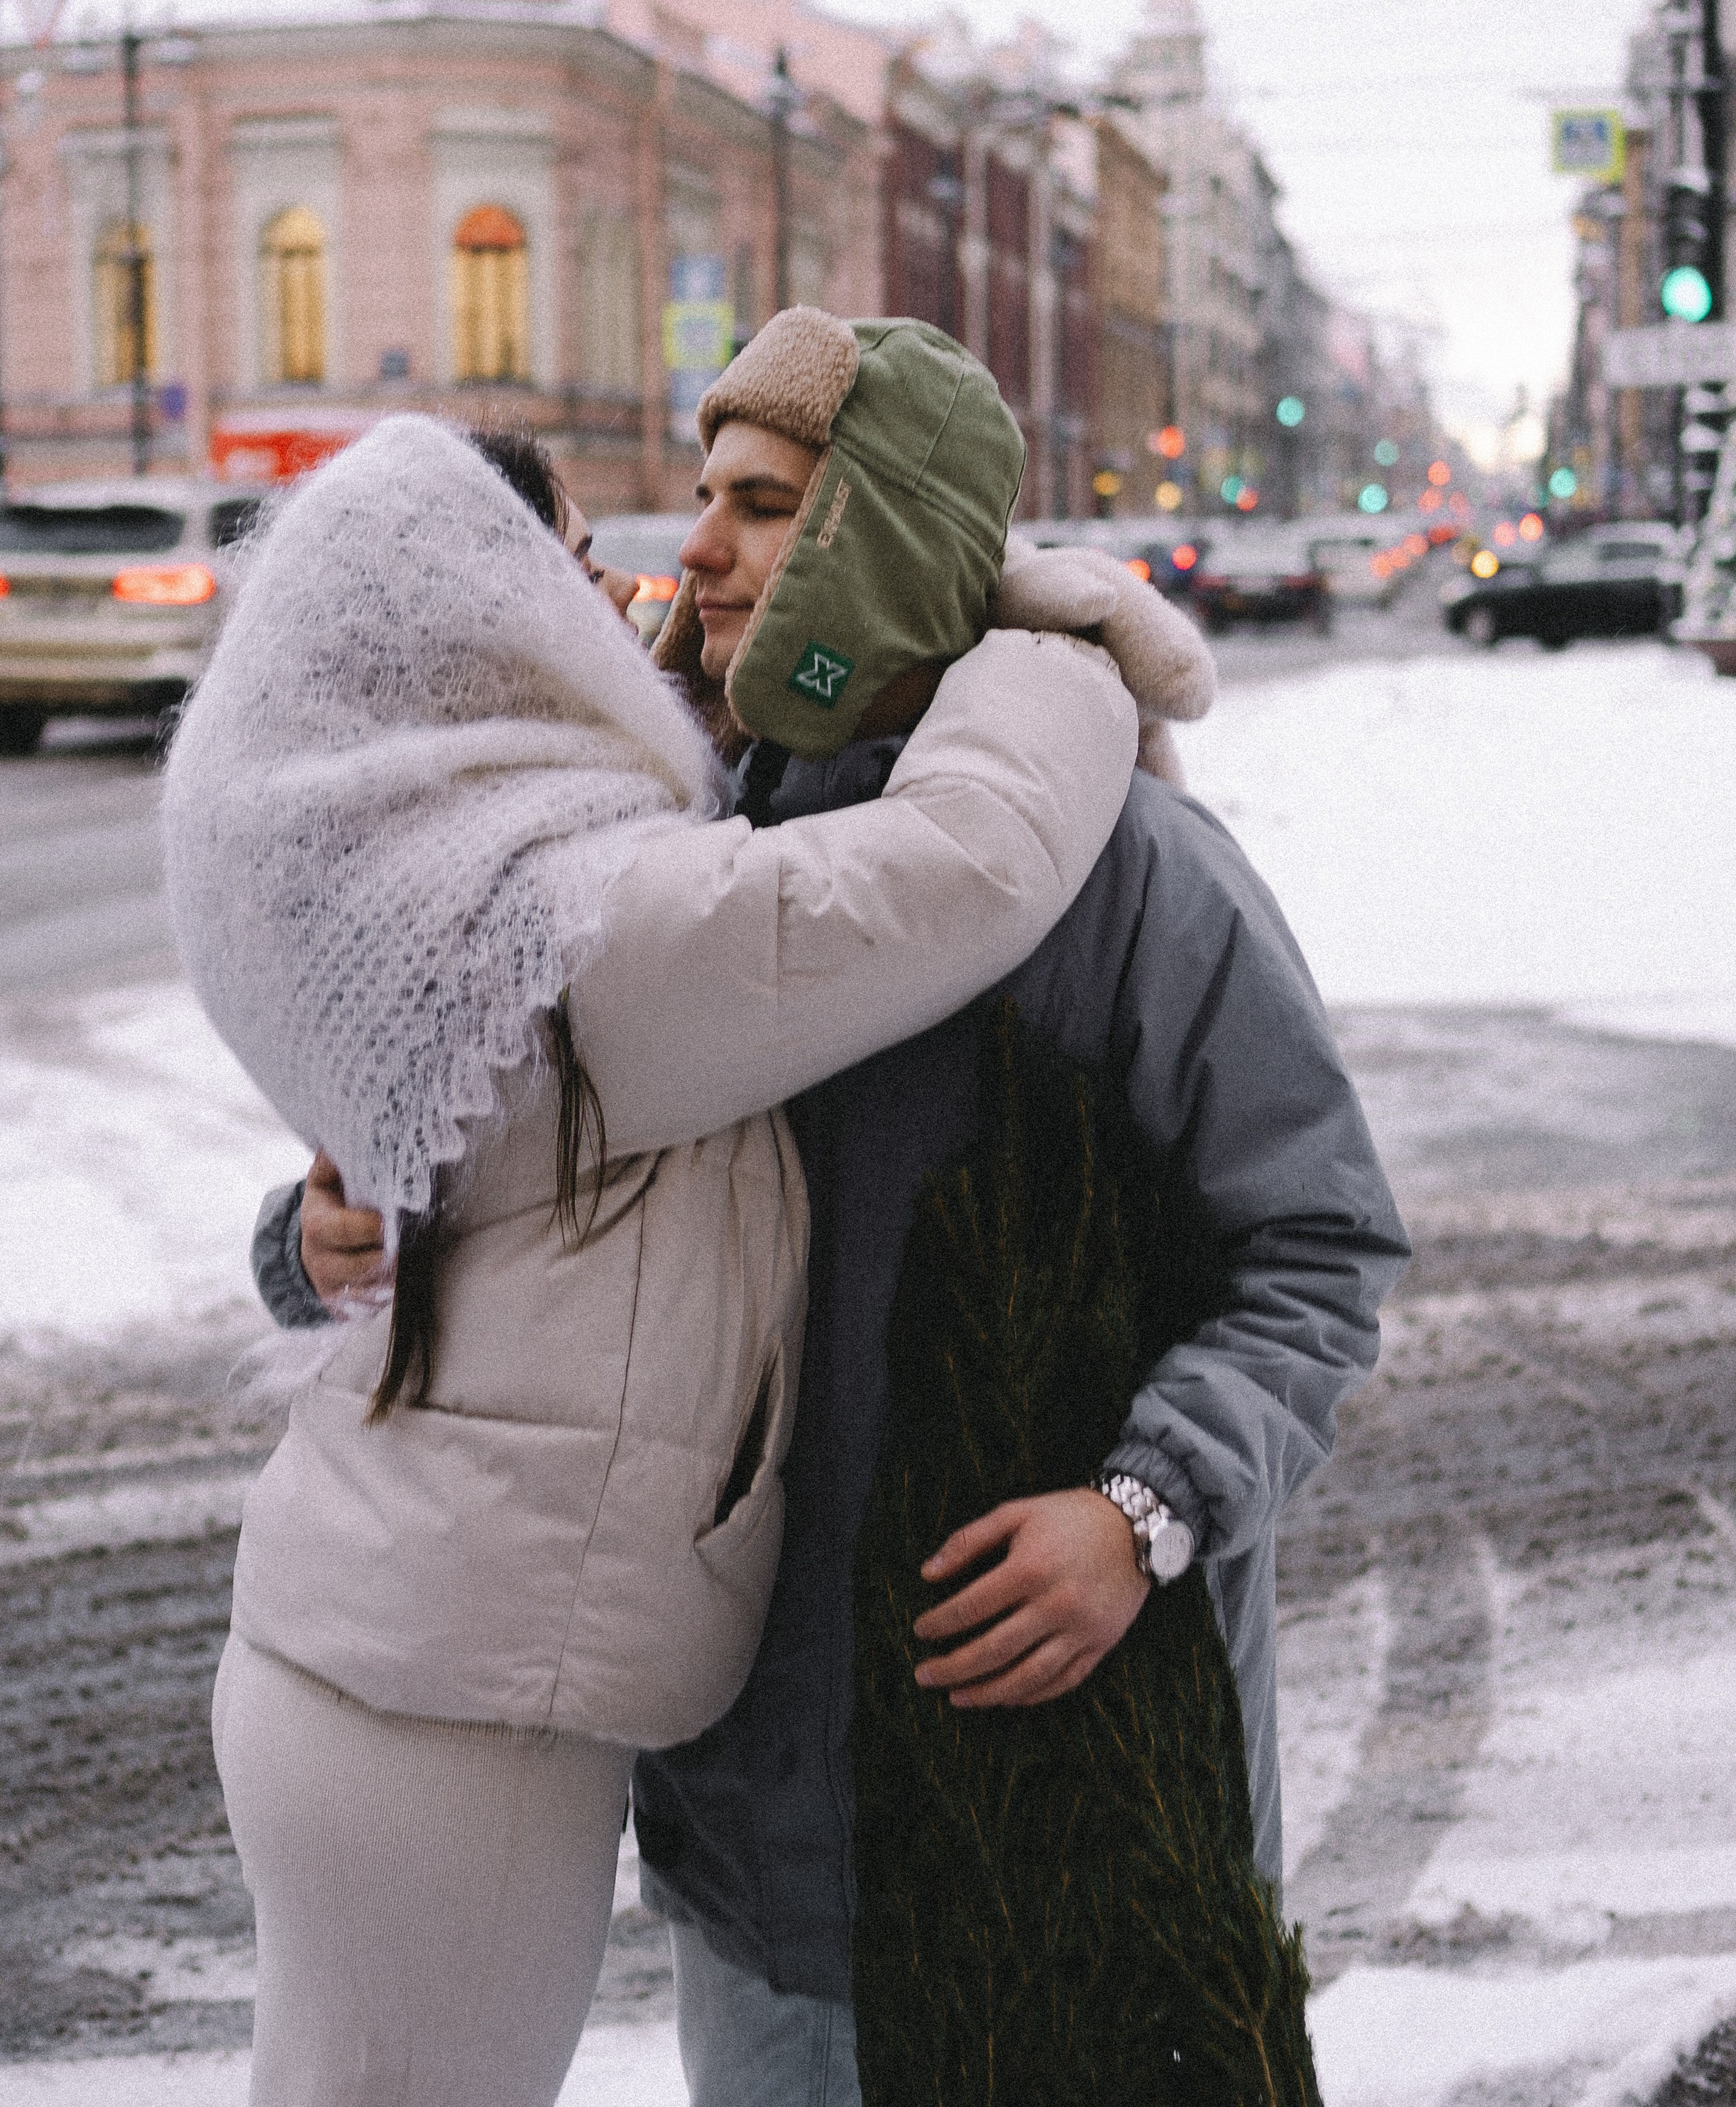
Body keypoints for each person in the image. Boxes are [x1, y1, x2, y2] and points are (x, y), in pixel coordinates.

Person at [261, 314, 1410, 2107]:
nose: (699, 549)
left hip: (1068, 1827)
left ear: (883, 537)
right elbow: (501, 1173)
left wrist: (1140, 1513)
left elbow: (1315, 1250)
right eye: (703, 498)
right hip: (758, 1851)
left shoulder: (1132, 879)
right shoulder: (673, 865)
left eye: (763, 505)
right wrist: (323, 1228)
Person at [167, 402, 1141, 2107]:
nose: (630, 597)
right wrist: (1047, 655)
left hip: (365, 1654)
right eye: (574, 569)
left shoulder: (418, 875)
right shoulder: (578, 932)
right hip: (453, 1723)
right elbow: (965, 865)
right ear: (483, 614)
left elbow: (420, 1196)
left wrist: (303, 1236)